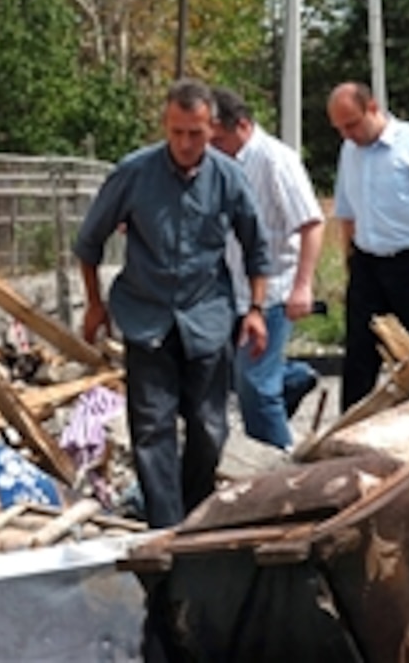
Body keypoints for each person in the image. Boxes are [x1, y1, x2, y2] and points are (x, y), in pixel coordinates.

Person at [74, 77, 270, 530]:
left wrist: (256, 311)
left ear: (212, 128)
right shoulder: (133, 173)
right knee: (153, 428)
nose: (185, 143)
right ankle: (167, 530)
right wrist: (94, 305)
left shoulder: (228, 177)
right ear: (165, 125)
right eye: (177, 132)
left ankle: (195, 513)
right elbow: (89, 243)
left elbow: (257, 248)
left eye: (196, 133)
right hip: (147, 318)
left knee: (208, 427)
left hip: (208, 317)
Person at [327, 82, 409, 413]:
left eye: (352, 124)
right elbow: (346, 214)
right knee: (359, 355)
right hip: (368, 263)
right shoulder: (349, 151)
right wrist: (350, 266)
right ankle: (352, 433)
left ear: (372, 107)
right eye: (340, 128)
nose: (348, 134)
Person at [212, 87, 324, 450]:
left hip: (274, 288)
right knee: (227, 375)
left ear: (241, 126)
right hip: (231, 290)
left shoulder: (276, 161)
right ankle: (293, 378)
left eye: (218, 138)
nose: (211, 146)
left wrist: (303, 286)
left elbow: (311, 223)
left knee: (256, 390)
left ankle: (278, 467)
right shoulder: (219, 164)